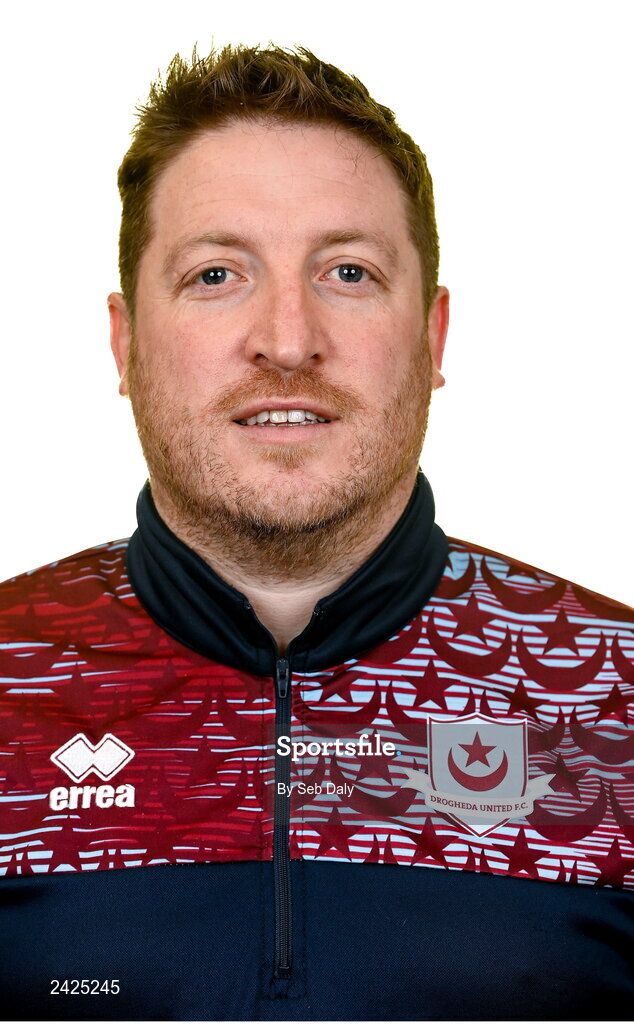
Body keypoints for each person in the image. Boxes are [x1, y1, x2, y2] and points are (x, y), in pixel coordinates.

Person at [1, 43, 633, 1022]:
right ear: (124, 344)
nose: (289, 337)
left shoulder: (613, 694)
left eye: (347, 270)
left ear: (431, 338)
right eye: (217, 273)